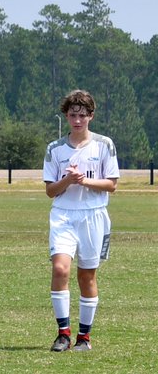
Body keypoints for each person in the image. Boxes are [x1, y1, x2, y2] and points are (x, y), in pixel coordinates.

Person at [43, 89, 119, 352]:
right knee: (61, 269)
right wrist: (68, 180)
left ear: (91, 117)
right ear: (66, 115)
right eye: (73, 115)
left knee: (87, 276)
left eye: (82, 115)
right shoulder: (55, 149)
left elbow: (112, 185)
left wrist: (84, 180)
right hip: (63, 215)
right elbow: (50, 191)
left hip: (94, 216)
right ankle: (63, 334)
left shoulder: (104, 145)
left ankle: (84, 337)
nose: (77, 120)